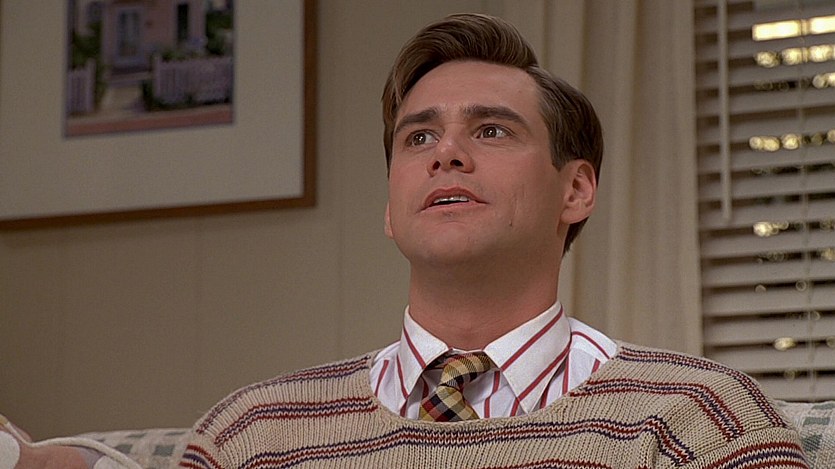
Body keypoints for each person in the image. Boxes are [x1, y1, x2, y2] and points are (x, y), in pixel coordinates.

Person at [2, 12, 808, 469]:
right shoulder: (252, 435)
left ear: (575, 189)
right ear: (391, 208)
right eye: (417, 138)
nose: (445, 153)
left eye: (490, 130)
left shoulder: (697, 420)